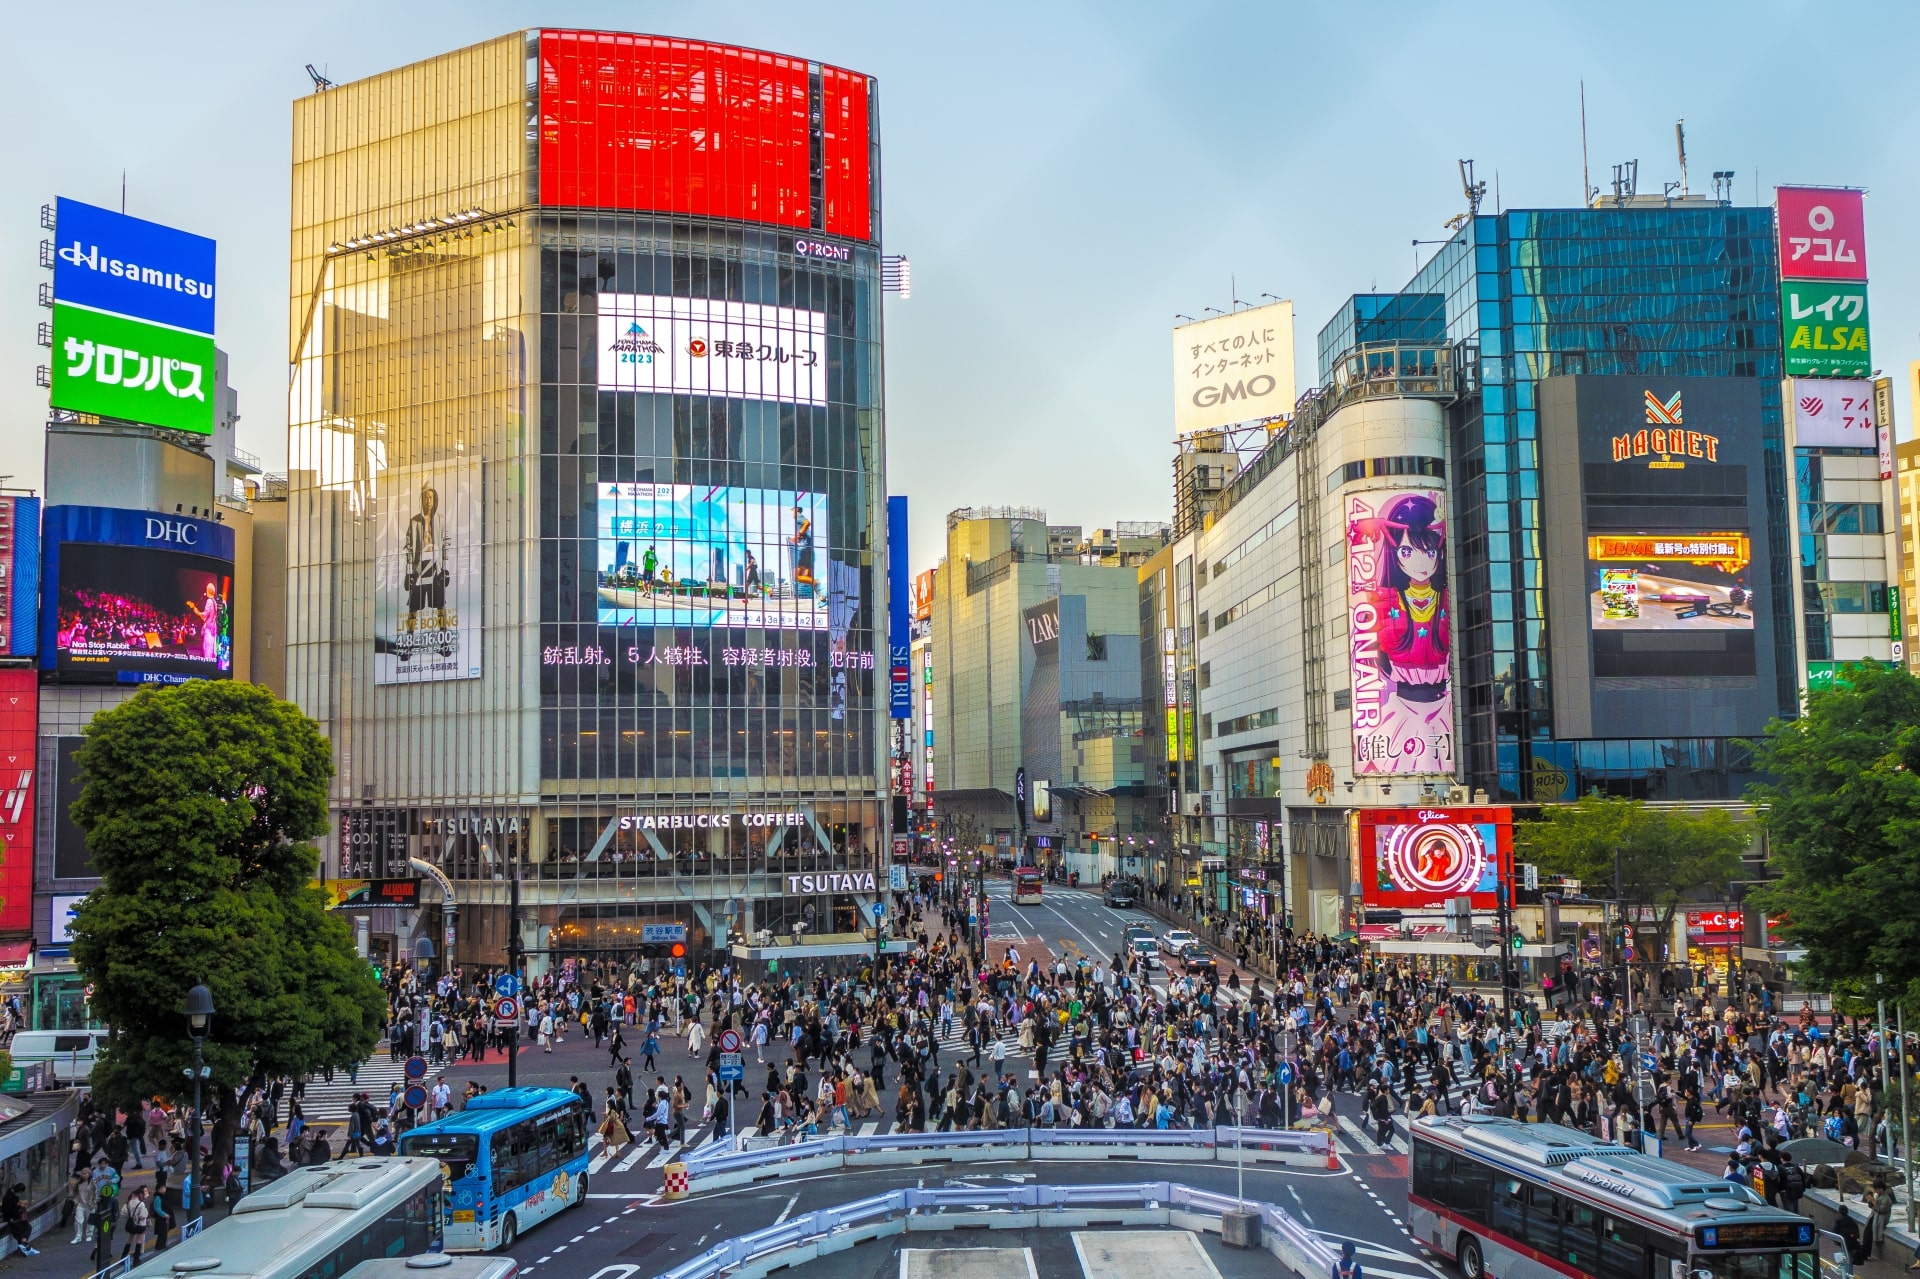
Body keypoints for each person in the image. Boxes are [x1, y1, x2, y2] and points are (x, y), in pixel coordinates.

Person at [2, 1181, 37, 1255]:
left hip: (17, 1216)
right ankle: (25, 1247)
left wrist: (20, 1208)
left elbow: (15, 1207)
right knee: (19, 1231)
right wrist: (19, 1209)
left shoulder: (14, 1196)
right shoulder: (8, 1198)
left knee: (28, 1227)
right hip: (11, 1218)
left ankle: (24, 1243)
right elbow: (8, 1211)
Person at [121, 1185, 151, 1265]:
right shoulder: (141, 1204)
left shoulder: (129, 1203)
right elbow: (143, 1215)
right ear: (139, 1195)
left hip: (131, 1224)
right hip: (140, 1225)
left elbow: (123, 1213)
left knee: (129, 1240)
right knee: (139, 1241)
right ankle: (136, 1260)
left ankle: (123, 1257)